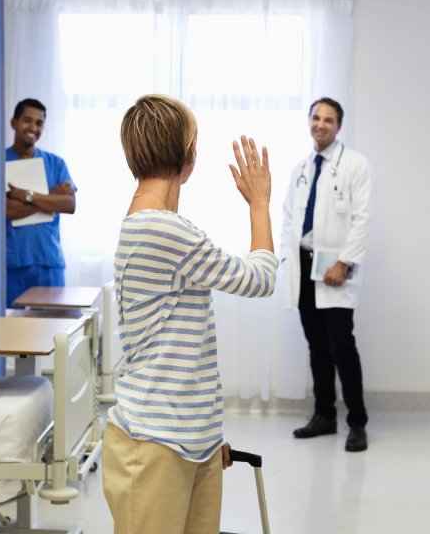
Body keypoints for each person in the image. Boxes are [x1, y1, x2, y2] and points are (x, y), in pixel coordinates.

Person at [103, 94, 277, 534]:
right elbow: (260, 279)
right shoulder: (164, 229)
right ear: (191, 149)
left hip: (188, 437)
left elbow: (182, 341)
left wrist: (205, 433)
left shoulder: (152, 222)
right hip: (154, 441)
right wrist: (259, 203)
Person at [281, 97, 372, 453]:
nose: (321, 124)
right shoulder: (302, 168)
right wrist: (289, 258)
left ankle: (358, 423)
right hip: (304, 265)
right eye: (316, 118)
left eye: (328, 120)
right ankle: (324, 416)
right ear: (309, 122)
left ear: (339, 126)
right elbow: (289, 216)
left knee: (342, 347)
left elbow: (363, 218)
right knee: (316, 347)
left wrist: (345, 262)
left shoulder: (355, 165)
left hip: (335, 268)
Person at [4, 98, 76, 308]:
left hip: (49, 263)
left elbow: (69, 205)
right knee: (12, 333)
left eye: (39, 123)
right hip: (14, 264)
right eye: (27, 120)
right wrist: (50, 197)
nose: (33, 128)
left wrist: (25, 195)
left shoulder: (56, 163)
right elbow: (7, 210)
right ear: (13, 123)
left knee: (52, 331)